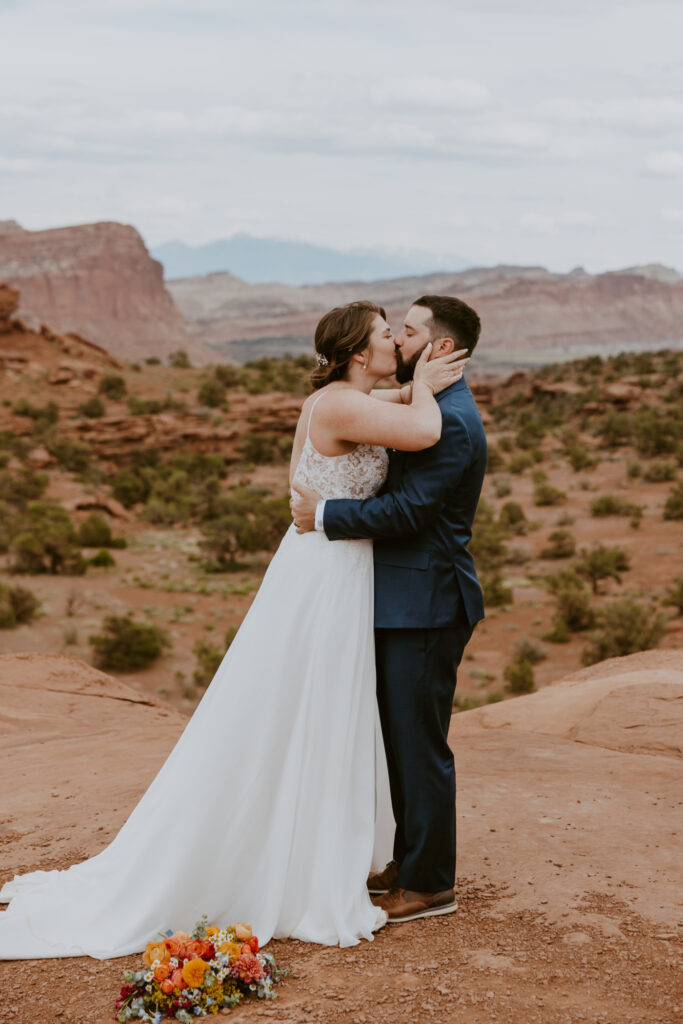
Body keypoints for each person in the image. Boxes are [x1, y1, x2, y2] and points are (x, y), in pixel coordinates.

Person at [0, 300, 467, 960]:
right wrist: (426, 385)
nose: (397, 340)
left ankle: (317, 845)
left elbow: (370, 429)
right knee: (305, 703)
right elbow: (420, 431)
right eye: (386, 334)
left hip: (332, 561)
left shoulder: (351, 395)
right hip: (326, 574)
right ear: (360, 354)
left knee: (325, 705)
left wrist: (410, 385)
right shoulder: (337, 405)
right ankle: (287, 857)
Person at [291, 295, 486, 924]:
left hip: (426, 601)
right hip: (399, 598)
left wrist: (322, 514)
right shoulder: (424, 401)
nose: (399, 342)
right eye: (392, 332)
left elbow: (407, 513)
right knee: (400, 741)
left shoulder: (449, 420)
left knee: (419, 744)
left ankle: (430, 884)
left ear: (441, 348)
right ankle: (411, 858)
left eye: (408, 332)